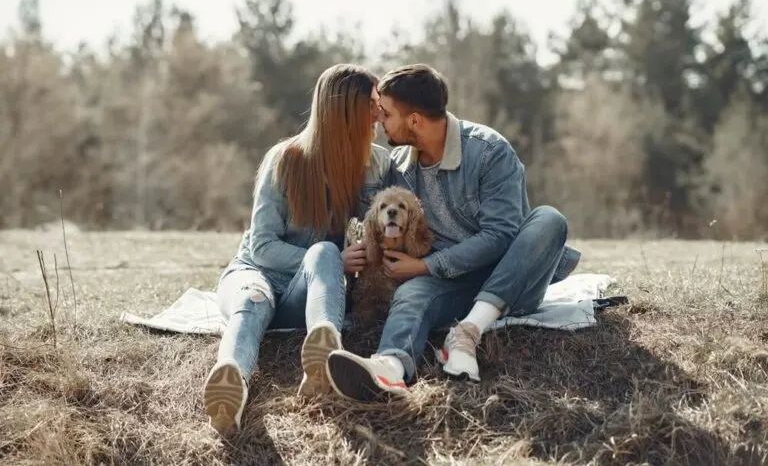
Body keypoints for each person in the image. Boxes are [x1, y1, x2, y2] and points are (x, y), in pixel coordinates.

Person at [325, 63, 582, 401]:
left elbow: (501, 235)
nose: (378, 121)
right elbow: (373, 213)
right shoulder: (399, 166)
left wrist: (426, 266)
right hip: (450, 283)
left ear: (414, 120)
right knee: (411, 294)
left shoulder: (490, 151)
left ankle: (467, 333)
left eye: (385, 114)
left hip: (510, 280)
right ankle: (389, 366)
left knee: (550, 219)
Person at [202, 63, 389, 435]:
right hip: (257, 274)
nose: (379, 114)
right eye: (371, 104)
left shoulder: (375, 163)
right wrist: (335, 257)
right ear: (345, 110)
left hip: (309, 292)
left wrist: (347, 258)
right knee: (251, 301)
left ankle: (322, 358)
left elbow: (381, 225)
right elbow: (262, 247)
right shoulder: (286, 160)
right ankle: (231, 385)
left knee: (322, 253)